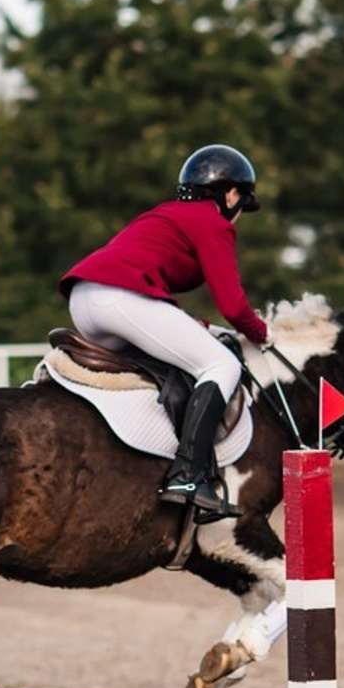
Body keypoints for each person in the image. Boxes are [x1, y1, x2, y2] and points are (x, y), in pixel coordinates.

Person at [59, 143, 267, 520]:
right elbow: (235, 306)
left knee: (177, 364)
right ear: (232, 194)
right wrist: (261, 333)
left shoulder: (164, 214)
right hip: (118, 299)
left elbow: (158, 306)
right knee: (221, 366)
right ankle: (187, 475)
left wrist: (201, 327)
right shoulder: (212, 221)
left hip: (84, 301)